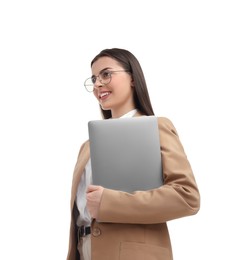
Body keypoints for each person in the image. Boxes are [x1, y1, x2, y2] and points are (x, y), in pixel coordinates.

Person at [66, 48, 200, 260]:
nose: (98, 83)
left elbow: (186, 197)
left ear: (133, 79)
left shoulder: (156, 127)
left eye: (106, 74)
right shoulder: (87, 146)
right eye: (94, 78)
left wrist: (108, 203)